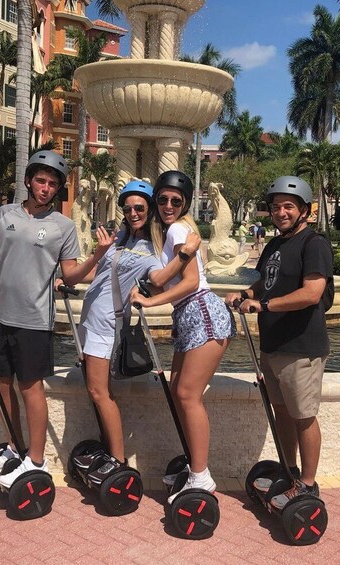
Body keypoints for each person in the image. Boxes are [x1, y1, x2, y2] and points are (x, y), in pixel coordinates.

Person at [0, 150, 114, 490]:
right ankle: (16, 449)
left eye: (53, 184)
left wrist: (98, 255)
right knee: (2, 384)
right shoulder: (5, 215)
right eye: (41, 180)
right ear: (29, 181)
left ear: (58, 189)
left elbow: (71, 276)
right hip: (1, 316)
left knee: (30, 389)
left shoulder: (63, 227)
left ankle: (36, 459)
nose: (46, 188)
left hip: (35, 321)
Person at [71, 180, 201, 485]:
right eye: (127, 208)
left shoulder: (154, 249)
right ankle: (110, 451)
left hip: (107, 325)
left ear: (150, 208)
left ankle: (117, 460)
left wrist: (184, 256)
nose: (132, 213)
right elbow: (96, 273)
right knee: (99, 392)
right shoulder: (120, 240)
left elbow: (159, 278)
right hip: (90, 320)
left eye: (139, 207)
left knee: (99, 392)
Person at [225, 175, 333, 510]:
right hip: (273, 344)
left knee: (303, 417)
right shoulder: (274, 245)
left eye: (288, 206)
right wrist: (246, 293)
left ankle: (308, 486)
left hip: (301, 345)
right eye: (275, 207)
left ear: (304, 211)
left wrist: (265, 305)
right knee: (283, 413)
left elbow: (312, 292)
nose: (281, 212)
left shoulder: (314, 244)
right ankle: (290, 472)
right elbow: (265, 283)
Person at [130, 170, 236, 504]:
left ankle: (201, 477)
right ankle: (194, 465)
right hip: (188, 316)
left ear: (185, 203)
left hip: (201, 312)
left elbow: (189, 283)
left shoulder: (178, 229)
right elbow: (165, 278)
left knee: (188, 395)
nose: (168, 205)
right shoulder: (171, 235)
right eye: (162, 199)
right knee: (179, 391)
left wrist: (148, 300)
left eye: (176, 200)